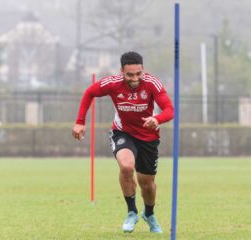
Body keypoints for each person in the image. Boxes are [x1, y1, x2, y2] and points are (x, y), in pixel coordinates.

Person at [72, 52, 174, 233]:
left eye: (138, 74)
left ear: (143, 70)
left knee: (147, 184)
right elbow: (89, 93)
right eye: (130, 75)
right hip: (123, 132)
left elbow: (169, 110)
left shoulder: (152, 83)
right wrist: (80, 121)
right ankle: (132, 212)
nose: (135, 78)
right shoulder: (112, 84)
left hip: (148, 137)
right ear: (122, 72)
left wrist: (157, 119)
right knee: (126, 167)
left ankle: (149, 214)